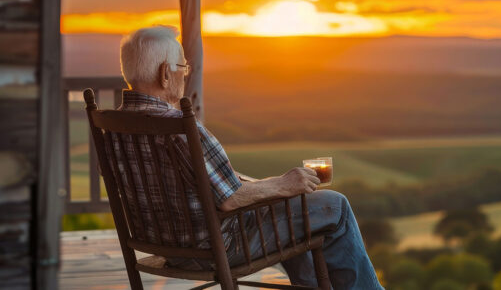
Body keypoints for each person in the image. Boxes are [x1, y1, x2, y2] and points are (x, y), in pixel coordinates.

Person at [114, 25, 383, 289]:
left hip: (167, 248)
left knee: (296, 213)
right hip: (216, 248)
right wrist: (283, 184)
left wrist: (274, 188)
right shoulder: (180, 128)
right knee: (334, 206)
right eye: (183, 68)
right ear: (164, 74)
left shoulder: (112, 126)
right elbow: (230, 199)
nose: (185, 75)